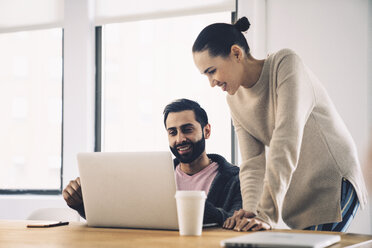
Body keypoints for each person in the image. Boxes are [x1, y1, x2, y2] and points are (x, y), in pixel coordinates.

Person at [192, 16, 367, 232]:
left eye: (212, 71)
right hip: (298, 194)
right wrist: (251, 212)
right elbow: (253, 164)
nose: (211, 83)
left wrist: (266, 214)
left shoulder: (285, 64)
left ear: (236, 53)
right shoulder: (234, 100)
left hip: (332, 182)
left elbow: (286, 139)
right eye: (205, 75)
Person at [63, 98, 242, 225]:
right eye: (172, 132)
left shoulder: (235, 178)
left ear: (207, 131)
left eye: (187, 129)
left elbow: (237, 221)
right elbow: (124, 217)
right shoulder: (155, 176)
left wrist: (193, 209)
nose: (180, 139)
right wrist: (79, 203)